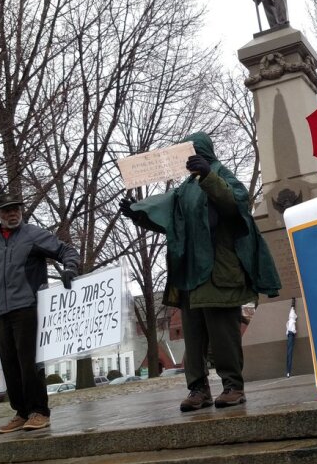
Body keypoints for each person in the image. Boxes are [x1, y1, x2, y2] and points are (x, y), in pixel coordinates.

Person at [120, 132, 281, 412]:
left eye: (192, 152)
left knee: (223, 334)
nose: (187, 158)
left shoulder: (220, 175)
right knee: (193, 337)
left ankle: (233, 386)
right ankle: (198, 390)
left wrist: (209, 176)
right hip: (189, 274)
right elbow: (173, 221)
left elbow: (235, 206)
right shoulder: (184, 188)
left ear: (203, 151)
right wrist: (139, 214)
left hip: (219, 272)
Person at [0, 193, 80, 433]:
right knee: (9, 365)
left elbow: (66, 251)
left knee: (29, 363)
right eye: (7, 211)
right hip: (1, 312)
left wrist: (70, 268)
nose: (13, 214)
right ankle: (21, 412)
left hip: (28, 308)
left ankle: (39, 411)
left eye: (16, 209)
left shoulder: (32, 235)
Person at [285, 298, 297, 377]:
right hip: (290, 334)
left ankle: (288, 371)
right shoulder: (291, 319)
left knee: (289, 354)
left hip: (291, 334)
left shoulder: (292, 319)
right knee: (289, 354)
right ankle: (288, 371)